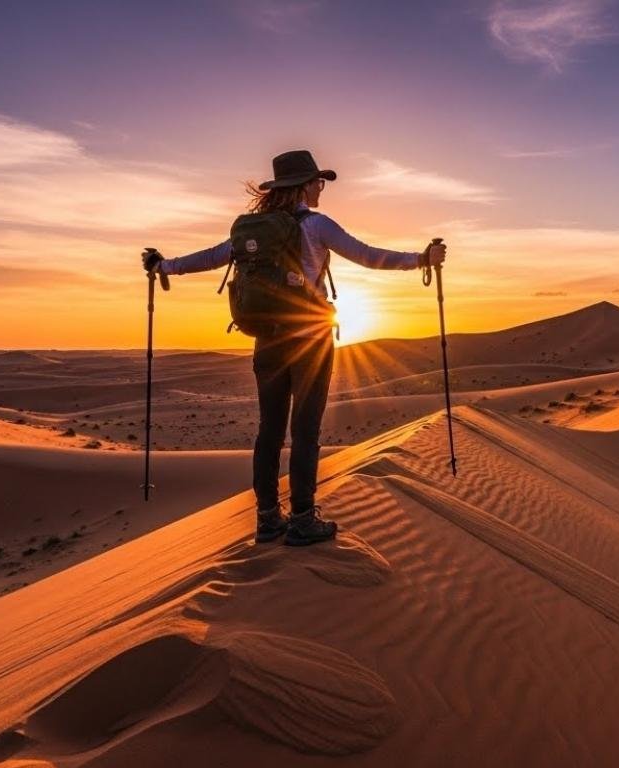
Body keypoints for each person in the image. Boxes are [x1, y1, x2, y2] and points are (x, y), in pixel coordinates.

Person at [141, 149, 446, 546]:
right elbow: (368, 256)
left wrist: (162, 266)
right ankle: (303, 518)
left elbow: (208, 259)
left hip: (267, 340)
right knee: (305, 430)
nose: (321, 189)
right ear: (303, 186)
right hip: (311, 341)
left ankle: (268, 519)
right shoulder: (317, 226)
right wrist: (421, 259)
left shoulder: (250, 232)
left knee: (269, 431)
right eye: (318, 182)